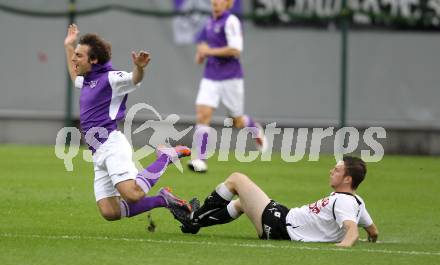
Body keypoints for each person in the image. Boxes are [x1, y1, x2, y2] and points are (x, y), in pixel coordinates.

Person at [64, 24, 192, 222]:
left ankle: (166, 157)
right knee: (110, 212)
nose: (74, 59)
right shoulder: (88, 79)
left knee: (133, 194)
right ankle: (163, 200)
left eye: (79, 56)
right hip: (98, 152)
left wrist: (139, 68)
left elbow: (134, 79)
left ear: (94, 60)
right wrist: (68, 46)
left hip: (111, 146)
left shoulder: (111, 78)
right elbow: (74, 77)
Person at [173, 156, 379, 247]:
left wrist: (345, 244)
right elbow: (373, 231)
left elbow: (352, 231)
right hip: (284, 219)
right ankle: (196, 223)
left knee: (237, 179)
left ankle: (194, 218)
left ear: (347, 179)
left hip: (281, 225)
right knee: (240, 203)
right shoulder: (356, 201)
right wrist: (370, 237)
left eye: (337, 170)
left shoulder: (344, 202)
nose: (331, 171)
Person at [188, 0, 267, 173]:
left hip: (231, 78)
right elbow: (203, 48)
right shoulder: (209, 22)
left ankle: (254, 127)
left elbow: (236, 50)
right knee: (203, 115)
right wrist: (201, 55)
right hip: (210, 77)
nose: (216, 2)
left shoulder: (231, 21)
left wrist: (209, 52)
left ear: (228, 4)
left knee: (237, 121)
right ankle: (200, 160)